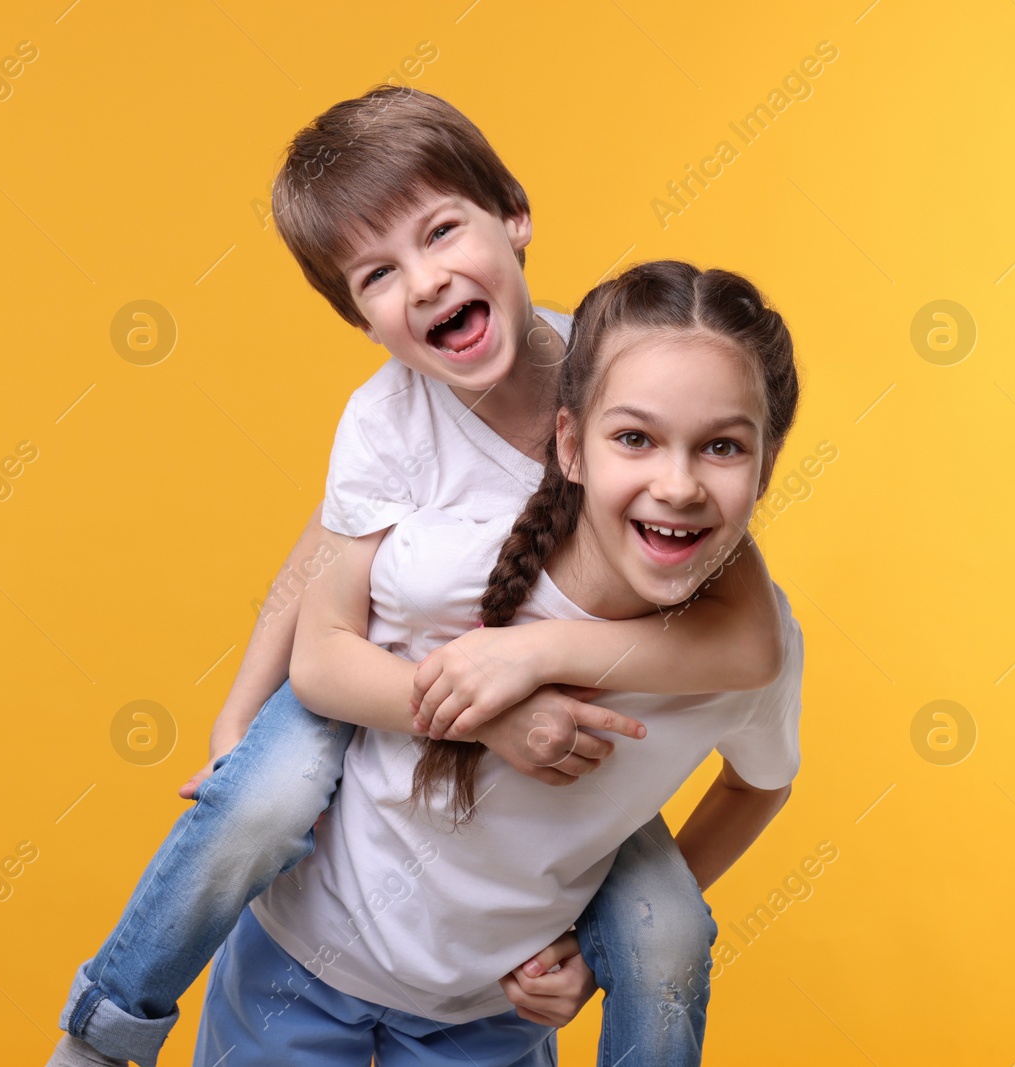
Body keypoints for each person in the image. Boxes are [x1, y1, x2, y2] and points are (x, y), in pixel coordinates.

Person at [50, 90, 784, 1067]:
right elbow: (320, 567)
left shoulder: (628, 382)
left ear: (513, 216)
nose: (427, 280)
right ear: (359, 317)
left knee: (664, 928)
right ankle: (107, 1027)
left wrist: (531, 658)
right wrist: (240, 717)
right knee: (263, 797)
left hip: (548, 783)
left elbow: (747, 629)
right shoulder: (388, 417)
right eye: (379, 274)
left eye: (442, 232)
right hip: (391, 699)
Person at [195, 260, 806, 1065]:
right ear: (570, 444)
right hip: (302, 954)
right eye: (634, 437)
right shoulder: (461, 549)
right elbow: (336, 541)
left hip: (488, 1018)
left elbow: (761, 781)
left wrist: (601, 948)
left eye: (722, 446)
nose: (678, 482)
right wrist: (241, 720)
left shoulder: (751, 653)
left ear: (764, 468)